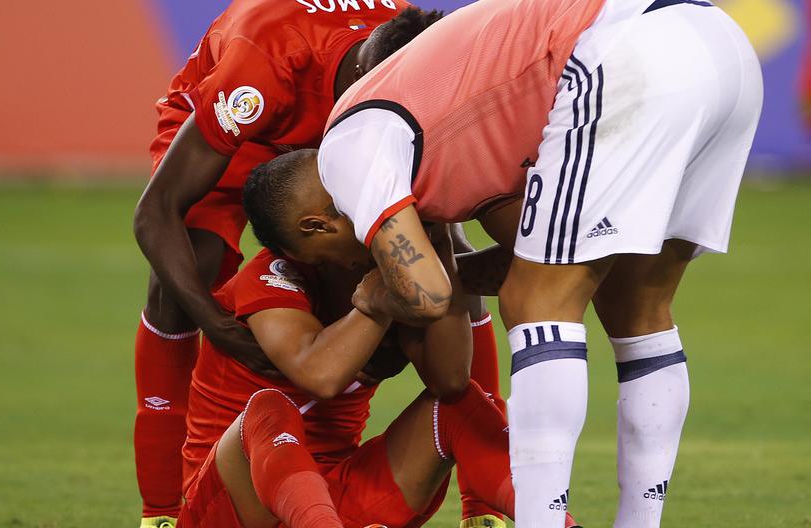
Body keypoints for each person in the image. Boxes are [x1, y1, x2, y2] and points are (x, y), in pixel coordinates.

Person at [248, 0, 763, 526]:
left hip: (623, 53)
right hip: (724, 51)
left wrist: (371, 295)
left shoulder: (344, 152)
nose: (345, 267)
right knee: (637, 304)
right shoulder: (450, 143)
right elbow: (535, 251)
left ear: (316, 226)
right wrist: (444, 274)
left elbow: (426, 294)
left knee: (537, 303)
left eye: (325, 261)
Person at [129, 1, 427, 524]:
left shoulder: (411, 60)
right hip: (235, 132)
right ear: (364, 76)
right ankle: (159, 512)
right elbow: (155, 213)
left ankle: (481, 506)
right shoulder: (262, 62)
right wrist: (216, 325)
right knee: (186, 278)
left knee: (431, 246)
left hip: (334, 127)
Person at [176, 206, 578, 527]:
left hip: (336, 500)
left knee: (453, 406)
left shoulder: (387, 273)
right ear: (318, 228)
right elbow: (322, 376)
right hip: (231, 508)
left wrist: (437, 244)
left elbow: (453, 381)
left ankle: (555, 521)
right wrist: (373, 307)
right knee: (268, 408)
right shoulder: (270, 277)